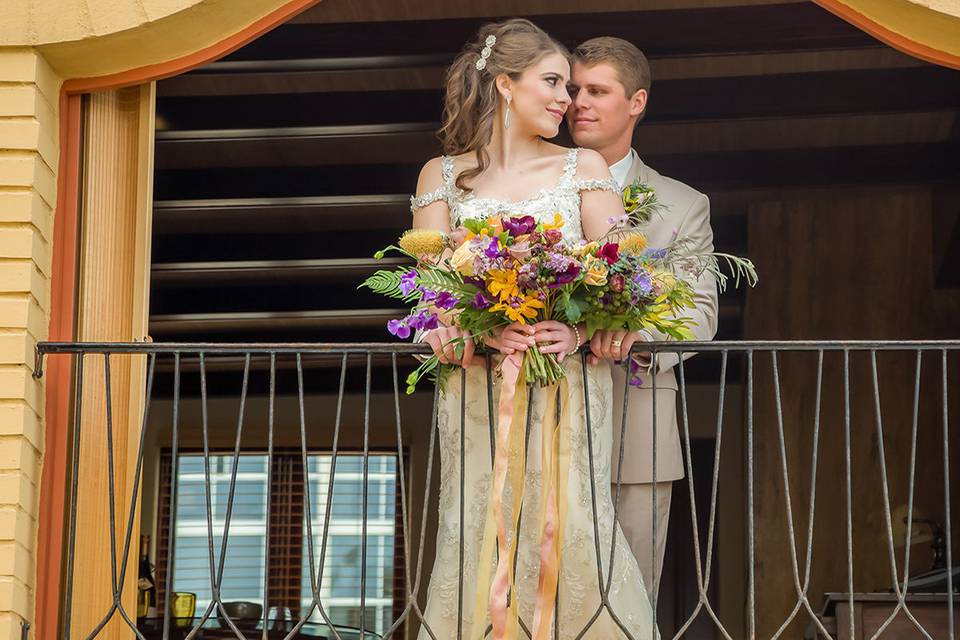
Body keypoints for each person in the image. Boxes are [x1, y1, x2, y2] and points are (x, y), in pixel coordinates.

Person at [410, 19, 658, 640]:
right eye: (552, 82)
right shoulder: (438, 176)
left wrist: (578, 333)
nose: (566, 100)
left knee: (572, 519)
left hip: (566, 387)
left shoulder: (585, 166)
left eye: (570, 87)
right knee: (477, 520)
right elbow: (433, 293)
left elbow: (625, 276)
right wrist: (479, 328)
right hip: (475, 391)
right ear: (503, 84)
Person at [567, 37, 719, 603]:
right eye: (572, 89)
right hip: (541, 420)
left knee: (629, 602)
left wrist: (638, 334)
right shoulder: (527, 192)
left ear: (636, 102)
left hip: (639, 433)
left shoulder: (682, 204)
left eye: (597, 91)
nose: (579, 101)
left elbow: (700, 311)